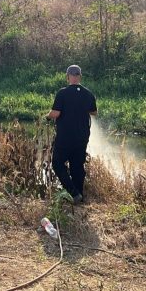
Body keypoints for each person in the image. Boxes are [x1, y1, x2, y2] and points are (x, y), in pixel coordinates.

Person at [46, 65, 97, 204]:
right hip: (82, 137)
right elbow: (94, 112)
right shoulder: (88, 94)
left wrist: (47, 116)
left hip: (65, 137)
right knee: (77, 166)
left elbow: (56, 113)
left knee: (57, 163)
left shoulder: (62, 93)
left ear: (68, 77)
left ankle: (73, 192)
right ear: (80, 76)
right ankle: (79, 195)